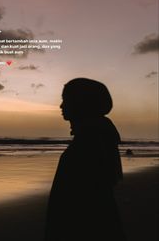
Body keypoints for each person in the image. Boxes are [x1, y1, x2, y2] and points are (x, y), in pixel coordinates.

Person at [45, 78, 126, 241]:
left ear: (80, 103)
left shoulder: (87, 145)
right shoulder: (99, 139)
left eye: (65, 100)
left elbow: (77, 207)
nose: (61, 106)